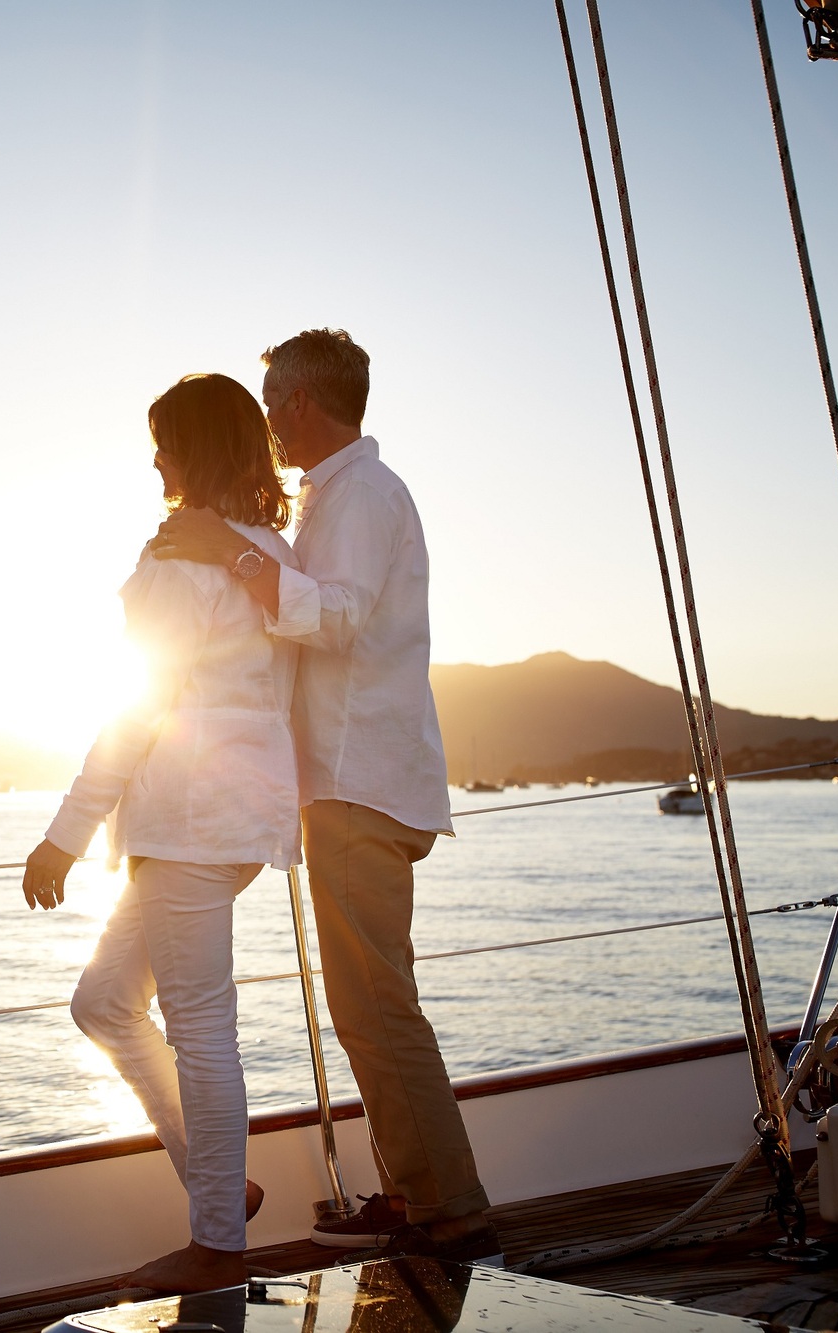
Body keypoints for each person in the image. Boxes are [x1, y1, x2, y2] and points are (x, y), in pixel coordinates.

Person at [149, 329, 498, 1263]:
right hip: (354, 782)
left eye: (272, 401)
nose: (266, 419)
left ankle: (452, 1209)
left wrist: (230, 551)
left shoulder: (362, 496)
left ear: (301, 401)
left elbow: (337, 618)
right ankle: (418, 1193)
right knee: (365, 1002)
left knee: (376, 1004)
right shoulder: (338, 497)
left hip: (358, 782)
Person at [22, 372, 303, 1294]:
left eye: (167, 443)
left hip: (187, 820)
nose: (155, 460)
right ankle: (224, 1188)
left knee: (201, 1029)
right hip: (230, 820)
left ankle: (218, 1245)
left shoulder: (184, 561)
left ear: (199, 450)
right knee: (104, 1001)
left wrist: (66, 833)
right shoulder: (262, 552)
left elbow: (140, 706)